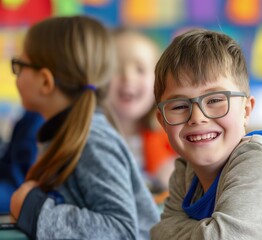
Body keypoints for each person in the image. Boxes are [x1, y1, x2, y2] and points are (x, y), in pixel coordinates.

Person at [150, 29, 262, 239]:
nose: (197, 117)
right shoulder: (183, 174)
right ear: (162, 122)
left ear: (246, 110)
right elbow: (158, 233)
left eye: (214, 100)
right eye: (179, 106)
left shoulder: (259, 162)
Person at [9, 15, 159, 239]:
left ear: (45, 81)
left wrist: (36, 210)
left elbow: (121, 230)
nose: (16, 74)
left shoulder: (93, 140)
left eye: (19, 65)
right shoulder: (66, 132)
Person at [105, 27, 177, 192]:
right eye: (115, 68)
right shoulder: (84, 139)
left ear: (158, 81)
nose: (128, 78)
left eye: (140, 69)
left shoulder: (176, 140)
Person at [0, 110, 44, 213]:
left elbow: (21, 182)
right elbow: (8, 163)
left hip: (19, 192)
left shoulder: (40, 121)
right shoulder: (32, 115)